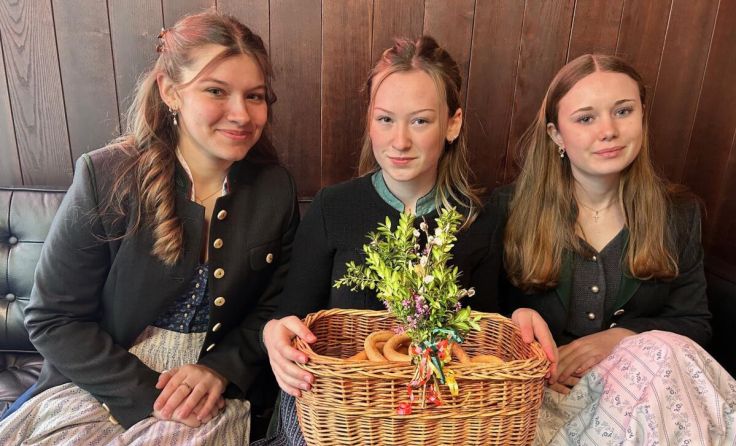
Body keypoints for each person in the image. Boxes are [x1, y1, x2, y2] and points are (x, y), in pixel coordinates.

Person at [0, 11, 298, 445]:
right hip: (102, 379)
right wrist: (146, 394)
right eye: (216, 91)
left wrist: (220, 370)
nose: (241, 114)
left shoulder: (276, 188)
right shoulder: (106, 176)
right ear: (170, 90)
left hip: (213, 392)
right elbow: (53, 318)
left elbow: (275, 308)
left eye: (254, 96)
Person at [255, 36, 558, 446]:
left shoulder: (479, 218)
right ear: (369, 121)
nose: (399, 141)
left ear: (452, 124)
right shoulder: (333, 207)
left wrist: (518, 316)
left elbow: (484, 332)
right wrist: (274, 335)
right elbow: (289, 317)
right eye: (385, 120)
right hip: (341, 416)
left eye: (420, 121)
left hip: (438, 420)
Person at [498, 54, 736, 444]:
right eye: (586, 118)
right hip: (544, 395)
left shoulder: (678, 213)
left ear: (642, 117)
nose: (608, 130)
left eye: (623, 111)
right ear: (556, 135)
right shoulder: (507, 210)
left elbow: (694, 323)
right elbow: (479, 318)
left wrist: (622, 338)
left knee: (663, 351)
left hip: (648, 399)